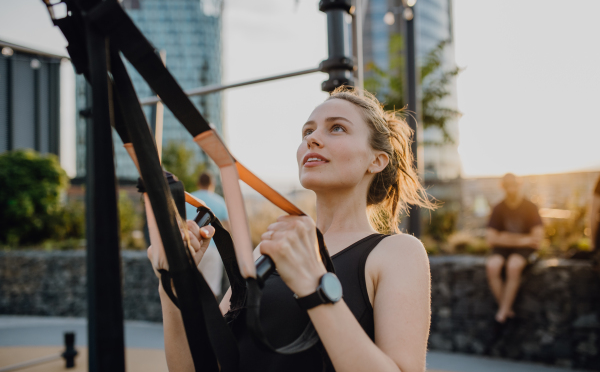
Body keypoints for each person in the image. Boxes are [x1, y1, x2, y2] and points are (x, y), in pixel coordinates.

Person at [148, 87, 435, 372]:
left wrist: (313, 286)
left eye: (336, 128)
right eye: (307, 132)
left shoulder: (398, 252)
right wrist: (172, 283)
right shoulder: (267, 249)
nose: (312, 139)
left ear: (377, 160)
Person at [485, 173, 544, 324]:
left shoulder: (530, 207)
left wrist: (505, 237)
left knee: (513, 266)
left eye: (514, 185)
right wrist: (524, 240)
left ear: (520, 184)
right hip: (506, 248)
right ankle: (506, 309)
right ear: (502, 187)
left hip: (522, 251)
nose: (511, 189)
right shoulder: (498, 208)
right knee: (492, 266)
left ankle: (503, 312)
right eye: (507, 185)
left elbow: (537, 239)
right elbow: (491, 238)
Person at [184, 172, 229, 297]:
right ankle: (209, 316)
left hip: (191, 248)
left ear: (198, 183)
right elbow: (227, 229)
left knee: (191, 288)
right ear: (212, 184)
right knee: (211, 290)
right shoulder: (219, 201)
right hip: (214, 250)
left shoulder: (188, 200)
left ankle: (192, 316)